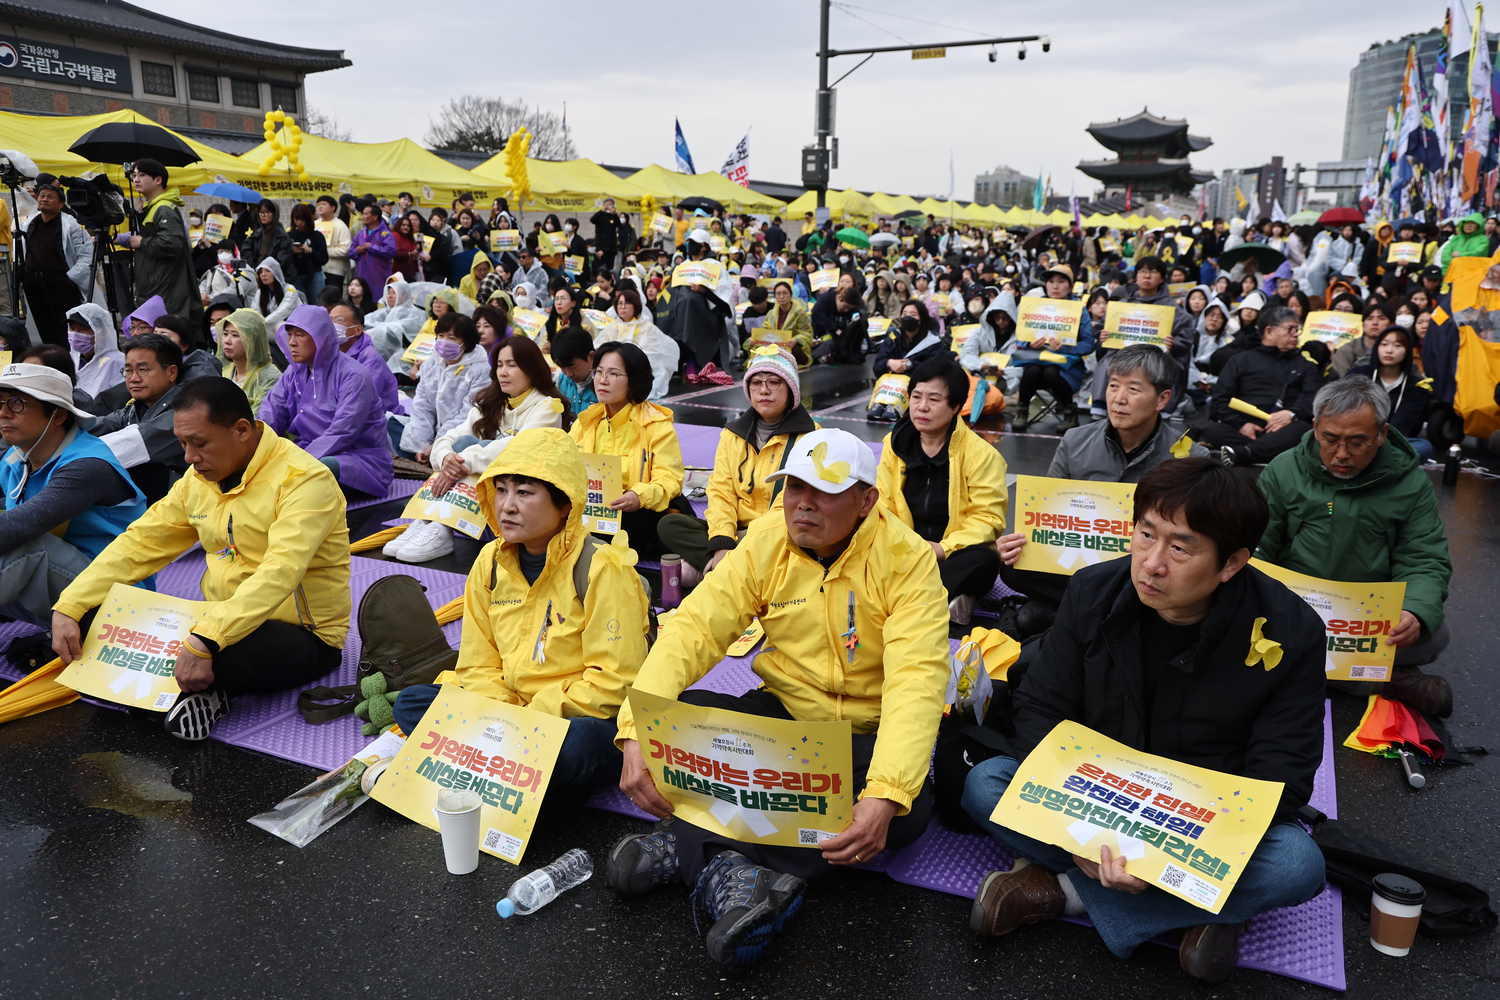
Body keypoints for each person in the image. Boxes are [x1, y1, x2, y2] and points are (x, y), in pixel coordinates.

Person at [963, 458, 1328, 984]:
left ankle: (1061, 894)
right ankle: (1204, 911)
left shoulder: (1290, 631)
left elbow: (1280, 776)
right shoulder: (1093, 591)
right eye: (1145, 535)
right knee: (984, 782)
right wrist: (1085, 837)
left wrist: (1154, 855)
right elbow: (1041, 710)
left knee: (1297, 864)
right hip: (1095, 794)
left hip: (1197, 821)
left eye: (1180, 548)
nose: (1151, 563)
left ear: (1231, 563)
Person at [607, 428, 950, 971]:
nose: (802, 504)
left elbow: (916, 685)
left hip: (863, 736)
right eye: (792, 486)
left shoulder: (908, 562)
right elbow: (694, 628)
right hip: (784, 718)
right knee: (681, 716)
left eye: (825, 491)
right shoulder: (768, 538)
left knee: (905, 814)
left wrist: (884, 794)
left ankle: (700, 848)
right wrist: (636, 730)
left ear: (867, 501)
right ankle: (743, 871)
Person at [54, 378, 350, 740]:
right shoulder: (199, 480)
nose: (189, 458)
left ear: (241, 430)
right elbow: (140, 543)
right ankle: (189, 686)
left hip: (300, 634)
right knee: (94, 621)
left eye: (200, 443)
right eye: (182, 444)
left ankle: (203, 689)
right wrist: (70, 603)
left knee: (225, 654)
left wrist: (205, 640)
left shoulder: (304, 480)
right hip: (218, 620)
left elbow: (280, 572)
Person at [391, 427, 650, 787]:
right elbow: (476, 662)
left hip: (572, 715)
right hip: (505, 711)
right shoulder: (489, 561)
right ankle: (515, 763)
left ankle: (493, 757)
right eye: (500, 490)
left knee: (578, 745)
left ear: (565, 505)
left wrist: (528, 716)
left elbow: (612, 683)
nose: (507, 506)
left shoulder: (601, 568)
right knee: (411, 702)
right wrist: (503, 715)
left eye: (524, 492)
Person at [1256, 378, 1453, 717]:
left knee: (1435, 635)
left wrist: (1415, 611)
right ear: (1315, 427)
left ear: (1382, 433)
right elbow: (1257, 546)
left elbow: (1424, 557)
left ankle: (1294, 672)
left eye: (1358, 442)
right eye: (1330, 440)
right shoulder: (1284, 469)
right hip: (1293, 609)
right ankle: (1377, 681)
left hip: (1365, 618)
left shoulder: (1410, 483)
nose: (1342, 454)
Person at [997, 345, 1208, 630]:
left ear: (1162, 399)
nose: (1118, 399)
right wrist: (1018, 540)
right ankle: (1098, 614)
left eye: (1133, 390)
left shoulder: (1190, 458)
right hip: (1080, 560)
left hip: (1142, 568)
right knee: (1012, 565)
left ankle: (1067, 614)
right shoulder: (1075, 440)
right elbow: (1044, 512)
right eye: (1112, 386)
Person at [390, 336, 568, 564]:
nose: (503, 372)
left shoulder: (547, 406)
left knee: (477, 448)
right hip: (491, 483)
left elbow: (517, 447)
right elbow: (452, 435)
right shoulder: (493, 401)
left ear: (532, 369)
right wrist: (445, 457)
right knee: (463, 442)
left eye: (512, 365)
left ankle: (442, 527)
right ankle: (428, 520)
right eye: (500, 365)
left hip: (525, 488)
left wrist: (461, 461)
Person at [0, 362, 147, 623]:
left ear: (58, 415)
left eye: (16, 403)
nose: (3, 413)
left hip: (119, 603)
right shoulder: (15, 458)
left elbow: (17, 528)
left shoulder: (87, 466)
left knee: (24, 544)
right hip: (66, 587)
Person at [655, 346, 816, 583]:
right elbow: (721, 491)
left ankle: (717, 572)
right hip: (735, 534)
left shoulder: (810, 438)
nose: (764, 390)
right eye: (756, 383)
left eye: (774, 382)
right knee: (669, 524)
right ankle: (735, 570)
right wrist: (723, 541)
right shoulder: (732, 435)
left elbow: (801, 504)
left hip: (780, 533)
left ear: (791, 389)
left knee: (802, 536)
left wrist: (752, 536)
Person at [875, 357, 1005, 622]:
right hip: (904, 550)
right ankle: (939, 601)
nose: (922, 407)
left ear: (956, 406)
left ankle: (905, 601)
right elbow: (882, 504)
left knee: (985, 560)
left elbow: (988, 519)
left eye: (934, 400)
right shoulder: (895, 445)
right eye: (916, 397)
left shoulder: (982, 455)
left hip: (950, 555)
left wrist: (943, 549)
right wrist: (906, 547)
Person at [258, 305, 393, 500]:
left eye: (300, 335)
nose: (292, 342)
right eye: (289, 335)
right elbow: (270, 413)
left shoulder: (354, 376)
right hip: (307, 452)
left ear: (320, 337)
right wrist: (253, 446)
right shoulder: (294, 372)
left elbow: (342, 433)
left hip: (358, 460)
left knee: (316, 470)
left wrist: (295, 461)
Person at [569, 341, 683, 560]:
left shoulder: (656, 425)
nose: (602, 380)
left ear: (634, 380)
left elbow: (670, 480)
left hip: (635, 513)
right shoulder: (586, 422)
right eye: (598, 372)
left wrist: (638, 496)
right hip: (592, 511)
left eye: (613, 374)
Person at [1199, 306, 1326, 467]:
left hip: (1285, 428)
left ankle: (1246, 452)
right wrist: (1242, 425)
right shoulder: (1241, 360)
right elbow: (1220, 401)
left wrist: (1291, 414)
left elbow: (1313, 401)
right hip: (1244, 429)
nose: (1295, 334)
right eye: (1290, 329)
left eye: (1297, 330)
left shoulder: (1306, 366)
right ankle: (1259, 451)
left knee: (1303, 430)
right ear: (1269, 331)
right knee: (1215, 429)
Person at [89, 332, 190, 503]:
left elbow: (134, 443)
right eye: (128, 370)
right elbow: (96, 425)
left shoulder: (186, 408)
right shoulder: (135, 408)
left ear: (171, 372)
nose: (133, 378)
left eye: (143, 370)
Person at [112, 161, 202, 330]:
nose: (136, 180)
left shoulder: (164, 208)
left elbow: (172, 243)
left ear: (158, 180)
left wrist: (142, 242)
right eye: (134, 176)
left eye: (142, 175)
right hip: (155, 286)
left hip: (165, 289)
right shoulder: (153, 208)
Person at [1012, 263, 1097, 432]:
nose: (1055, 286)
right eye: (1050, 281)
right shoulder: (1035, 306)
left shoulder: (1079, 310)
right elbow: (1020, 336)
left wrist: (1064, 348)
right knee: (1033, 370)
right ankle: (1021, 412)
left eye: (1061, 281)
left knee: (1050, 370)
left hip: (1067, 364)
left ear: (1071, 286)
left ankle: (1069, 413)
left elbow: (1088, 344)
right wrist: (1028, 343)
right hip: (1036, 358)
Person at [397, 314, 490, 460]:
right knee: (390, 423)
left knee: (463, 445)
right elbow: (422, 406)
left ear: (466, 343)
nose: (444, 341)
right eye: (441, 335)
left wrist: (438, 446)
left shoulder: (480, 371)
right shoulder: (430, 365)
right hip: (433, 433)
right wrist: (421, 446)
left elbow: (468, 414)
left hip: (461, 434)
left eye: (452, 338)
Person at [20, 183, 92, 348]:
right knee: (42, 325)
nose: (44, 199)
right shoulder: (29, 224)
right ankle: (50, 357)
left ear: (61, 204)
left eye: (50, 197)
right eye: (42, 196)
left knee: (64, 325)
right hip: (34, 283)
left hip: (60, 283)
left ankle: (67, 357)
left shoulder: (71, 226)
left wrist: (70, 278)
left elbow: (86, 255)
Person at [1347, 327, 1433, 462]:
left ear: (1408, 351)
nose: (1389, 350)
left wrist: (1379, 443)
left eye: (1398, 345)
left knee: (1424, 447)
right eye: (1384, 344)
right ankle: (1384, 464)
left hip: (1389, 440)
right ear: (1376, 348)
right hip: (1354, 436)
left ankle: (1373, 462)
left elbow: (1402, 424)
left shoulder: (1416, 386)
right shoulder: (1357, 375)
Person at [599, 287, 678, 400]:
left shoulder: (646, 327)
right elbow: (599, 347)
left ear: (635, 305)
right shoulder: (612, 327)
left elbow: (649, 354)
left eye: (627, 303)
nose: (623, 307)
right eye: (619, 303)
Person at [328, 301, 400, 415]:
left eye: (339, 320)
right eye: (329, 320)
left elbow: (359, 404)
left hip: (373, 421)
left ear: (357, 329)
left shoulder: (370, 360)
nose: (332, 325)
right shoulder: (331, 352)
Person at [215, 308, 280, 411]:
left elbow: (261, 418)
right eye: (225, 334)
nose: (227, 341)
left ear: (252, 339)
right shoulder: (223, 372)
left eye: (235, 335)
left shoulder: (269, 377)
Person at [65, 303, 124, 402]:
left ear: (101, 332)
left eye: (83, 330)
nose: (75, 334)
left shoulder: (117, 362)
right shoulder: (70, 359)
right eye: (72, 328)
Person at [873, 300, 947, 377]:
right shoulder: (894, 337)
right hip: (892, 385)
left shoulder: (932, 342)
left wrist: (909, 365)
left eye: (913, 314)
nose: (907, 317)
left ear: (920, 320)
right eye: (904, 314)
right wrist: (888, 363)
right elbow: (877, 366)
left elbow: (934, 370)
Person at [755, 281, 814, 366]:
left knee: (796, 350)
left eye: (785, 293)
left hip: (792, 348)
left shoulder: (799, 313)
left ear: (791, 295)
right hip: (775, 347)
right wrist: (755, 339)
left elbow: (807, 333)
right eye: (778, 294)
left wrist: (796, 340)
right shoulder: (771, 314)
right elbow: (764, 330)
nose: (781, 296)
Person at [1332, 302, 1395, 378]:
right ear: (1363, 326)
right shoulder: (1346, 350)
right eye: (1370, 319)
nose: (1375, 323)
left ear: (1392, 325)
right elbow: (1340, 382)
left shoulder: (1397, 349)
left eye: (1381, 318)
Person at [350, 203, 397, 293]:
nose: (363, 217)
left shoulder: (385, 234)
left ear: (375, 217)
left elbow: (391, 251)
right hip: (361, 274)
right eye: (363, 214)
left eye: (366, 214)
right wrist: (357, 251)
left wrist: (371, 247)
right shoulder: (360, 234)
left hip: (379, 275)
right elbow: (350, 253)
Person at [550, 327, 598, 415]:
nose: (568, 374)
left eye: (573, 367)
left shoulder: (605, 384)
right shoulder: (559, 379)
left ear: (591, 357)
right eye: (562, 367)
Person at [242, 200, 295, 279]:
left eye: (266, 212)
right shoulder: (255, 235)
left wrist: (267, 272)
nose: (263, 215)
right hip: (255, 276)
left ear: (274, 214)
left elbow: (283, 261)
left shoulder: (282, 237)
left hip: (276, 278)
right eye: (261, 212)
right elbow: (246, 252)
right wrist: (256, 270)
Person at [250, 256, 303, 332]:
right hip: (270, 326)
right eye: (260, 272)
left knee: (280, 326)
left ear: (276, 272)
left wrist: (262, 323)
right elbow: (255, 311)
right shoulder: (260, 292)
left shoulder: (289, 289)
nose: (263, 274)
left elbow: (282, 312)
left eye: (268, 271)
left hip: (294, 328)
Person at [315, 195, 351, 294]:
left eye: (324, 204)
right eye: (318, 205)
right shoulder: (314, 224)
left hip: (334, 271)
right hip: (316, 271)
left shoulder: (340, 225)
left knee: (332, 300)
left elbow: (345, 249)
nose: (320, 207)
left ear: (333, 208)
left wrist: (323, 252)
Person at [591, 199, 622, 272]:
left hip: (611, 247)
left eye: (611, 205)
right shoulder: (600, 215)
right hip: (601, 246)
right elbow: (592, 220)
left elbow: (619, 225)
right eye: (607, 205)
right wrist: (602, 210)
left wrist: (615, 214)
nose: (609, 207)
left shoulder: (613, 216)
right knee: (600, 268)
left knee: (610, 268)